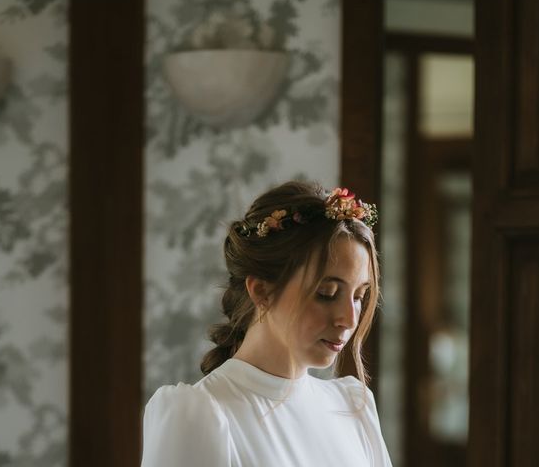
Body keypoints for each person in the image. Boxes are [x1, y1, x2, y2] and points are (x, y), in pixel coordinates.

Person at [140, 181, 393, 467]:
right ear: (262, 291)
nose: (348, 319)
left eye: (359, 296)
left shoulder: (353, 407)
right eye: (327, 294)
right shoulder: (200, 415)